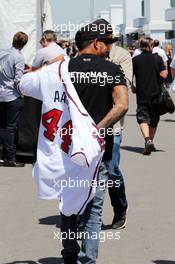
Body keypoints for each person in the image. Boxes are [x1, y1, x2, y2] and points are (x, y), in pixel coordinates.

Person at [61, 19, 128, 264]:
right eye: (108, 42)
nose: (110, 47)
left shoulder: (63, 68)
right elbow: (122, 105)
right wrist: (96, 129)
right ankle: (87, 260)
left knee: (68, 201)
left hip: (68, 147)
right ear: (96, 43)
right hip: (98, 147)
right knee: (94, 208)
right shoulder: (111, 69)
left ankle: (69, 253)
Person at [108, 45, 133, 229]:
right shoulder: (85, 53)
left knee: (111, 170)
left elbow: (125, 84)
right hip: (87, 124)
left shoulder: (121, 55)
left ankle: (120, 208)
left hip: (113, 123)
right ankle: (85, 213)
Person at [133, 38, 167, 155]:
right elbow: (164, 74)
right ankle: (150, 141)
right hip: (156, 93)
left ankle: (148, 140)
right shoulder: (158, 58)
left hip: (142, 94)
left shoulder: (135, 60)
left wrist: (133, 86)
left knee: (142, 117)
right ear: (151, 46)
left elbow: (129, 75)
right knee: (154, 119)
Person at [0, 31, 28, 167]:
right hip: (12, 95)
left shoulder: (2, 52)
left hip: (1, 93)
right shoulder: (19, 57)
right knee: (11, 127)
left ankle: (4, 156)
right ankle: (10, 158)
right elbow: (18, 80)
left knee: (2, 126)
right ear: (24, 44)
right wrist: (22, 93)